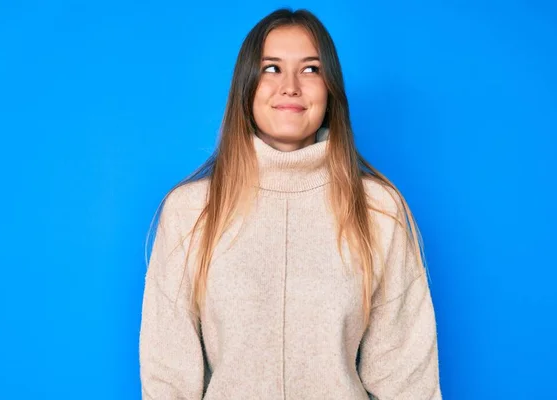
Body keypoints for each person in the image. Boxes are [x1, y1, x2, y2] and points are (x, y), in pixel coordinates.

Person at [139, 7, 442, 400]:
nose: (291, 86)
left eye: (311, 69)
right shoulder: (189, 212)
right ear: (246, 86)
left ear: (330, 88)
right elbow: (168, 379)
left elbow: (408, 379)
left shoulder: (378, 209)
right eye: (271, 68)